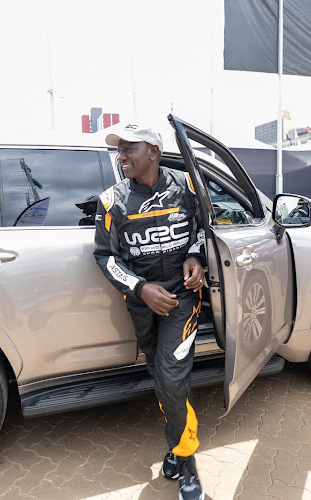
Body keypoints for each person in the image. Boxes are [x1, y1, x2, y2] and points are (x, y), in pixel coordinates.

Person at [93, 123, 206, 500]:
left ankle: (187, 461)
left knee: (173, 380)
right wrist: (141, 288)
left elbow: (204, 228)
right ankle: (175, 445)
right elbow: (105, 257)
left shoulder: (187, 186)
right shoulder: (111, 200)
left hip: (182, 301)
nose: (121, 156)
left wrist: (195, 256)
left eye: (129, 149)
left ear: (153, 152)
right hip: (142, 305)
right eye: (119, 150)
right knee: (160, 375)